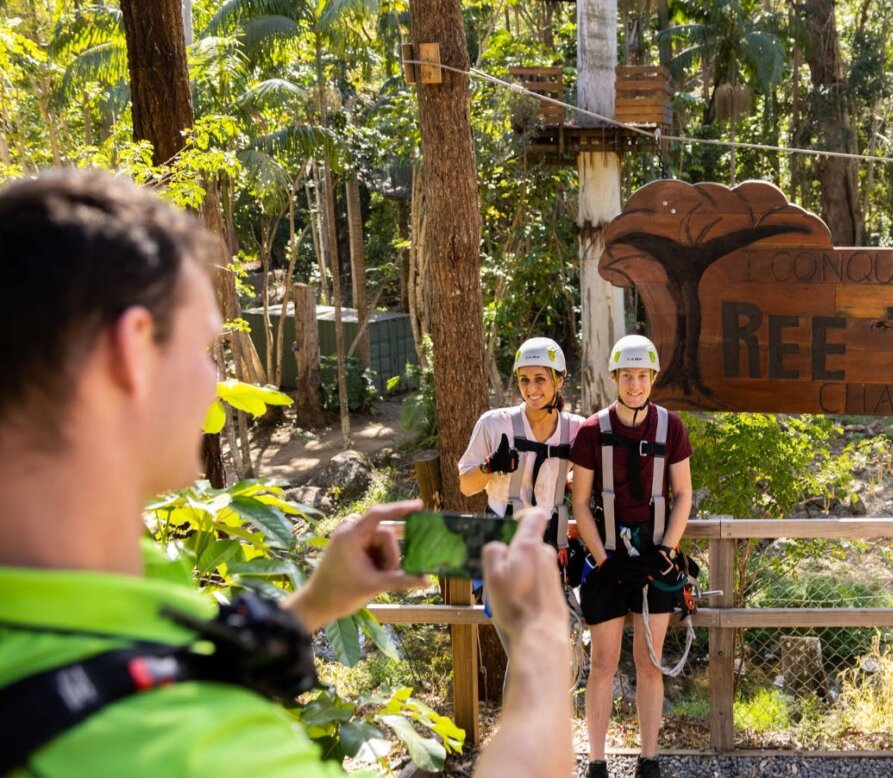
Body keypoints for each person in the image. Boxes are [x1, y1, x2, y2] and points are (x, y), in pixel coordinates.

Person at [0, 169, 571, 778]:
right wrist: (540, 641)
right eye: (205, 351)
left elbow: (137, 665)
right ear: (132, 354)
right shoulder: (200, 748)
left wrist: (313, 605)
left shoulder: (91, 588)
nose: (213, 384)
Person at [569, 335, 693, 778]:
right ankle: (597, 761)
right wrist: (604, 559)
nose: (635, 384)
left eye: (643, 376)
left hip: (654, 558)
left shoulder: (670, 428)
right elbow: (580, 501)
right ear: (616, 378)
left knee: (649, 662)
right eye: (628, 376)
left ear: (653, 378)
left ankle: (649, 759)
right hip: (606, 558)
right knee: (602, 662)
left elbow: (683, 494)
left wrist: (666, 551)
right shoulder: (591, 431)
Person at [458, 336, 585, 563]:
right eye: (524, 380)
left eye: (540, 379)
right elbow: (466, 487)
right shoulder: (494, 424)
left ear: (559, 381)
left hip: (550, 540)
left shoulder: (576, 429)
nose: (531, 388)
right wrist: (490, 466)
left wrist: (572, 477)